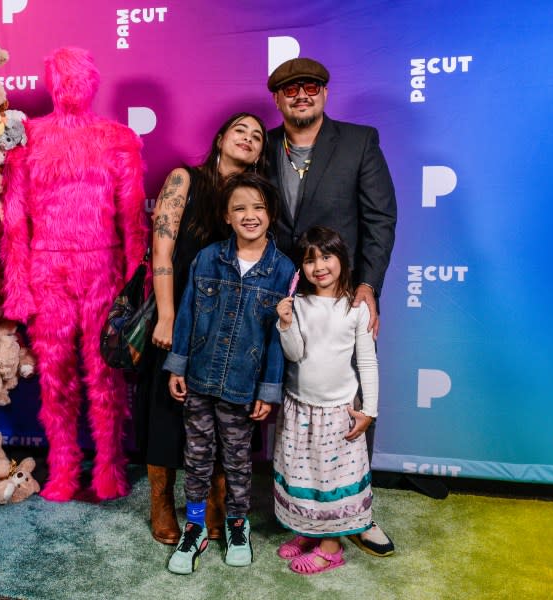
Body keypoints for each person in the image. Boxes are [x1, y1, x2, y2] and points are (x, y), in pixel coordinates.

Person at [0, 48, 147, 502]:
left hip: (103, 269)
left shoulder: (117, 138)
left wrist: (135, 286)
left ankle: (109, 467)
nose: (71, 86)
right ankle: (62, 468)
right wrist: (18, 288)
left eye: (79, 77)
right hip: (48, 271)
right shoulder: (28, 138)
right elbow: (14, 220)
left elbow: (132, 219)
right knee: (54, 374)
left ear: (93, 83)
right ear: (51, 83)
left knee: (107, 374)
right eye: (62, 78)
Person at [266, 57, 397, 556]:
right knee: (293, 402)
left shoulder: (360, 141)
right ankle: (299, 506)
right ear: (277, 98)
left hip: (341, 290)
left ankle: (358, 515)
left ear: (324, 92)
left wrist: (368, 284)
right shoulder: (264, 148)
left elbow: (381, 219)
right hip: (282, 294)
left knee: (353, 394)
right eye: (290, 89)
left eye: (311, 87)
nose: (302, 95)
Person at [135, 113, 268, 545]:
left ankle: (214, 500)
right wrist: (168, 316)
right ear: (220, 138)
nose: (248, 139)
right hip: (176, 314)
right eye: (240, 131)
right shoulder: (184, 180)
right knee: (166, 414)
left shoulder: (253, 197)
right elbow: (162, 247)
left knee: (218, 414)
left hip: (227, 326)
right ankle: (161, 501)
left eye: (257, 136)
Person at [163, 172, 294, 574]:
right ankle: (197, 525)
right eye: (239, 208)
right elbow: (185, 313)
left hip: (242, 386)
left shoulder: (283, 270)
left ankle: (238, 523)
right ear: (226, 215)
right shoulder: (208, 258)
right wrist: (178, 365)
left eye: (257, 207)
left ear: (270, 214)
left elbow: (278, 338)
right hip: (200, 378)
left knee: (238, 460)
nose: (249, 215)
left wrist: (268, 390)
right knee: (197, 457)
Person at [273, 226, 379, 574]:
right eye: (309, 259)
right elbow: (295, 353)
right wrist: (286, 324)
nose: (319, 266)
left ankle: (331, 547)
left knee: (331, 480)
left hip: (338, 413)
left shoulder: (356, 308)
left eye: (326, 256)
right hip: (300, 408)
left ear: (341, 259)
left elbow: (366, 361)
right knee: (304, 476)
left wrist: (369, 411)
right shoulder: (299, 304)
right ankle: (308, 530)